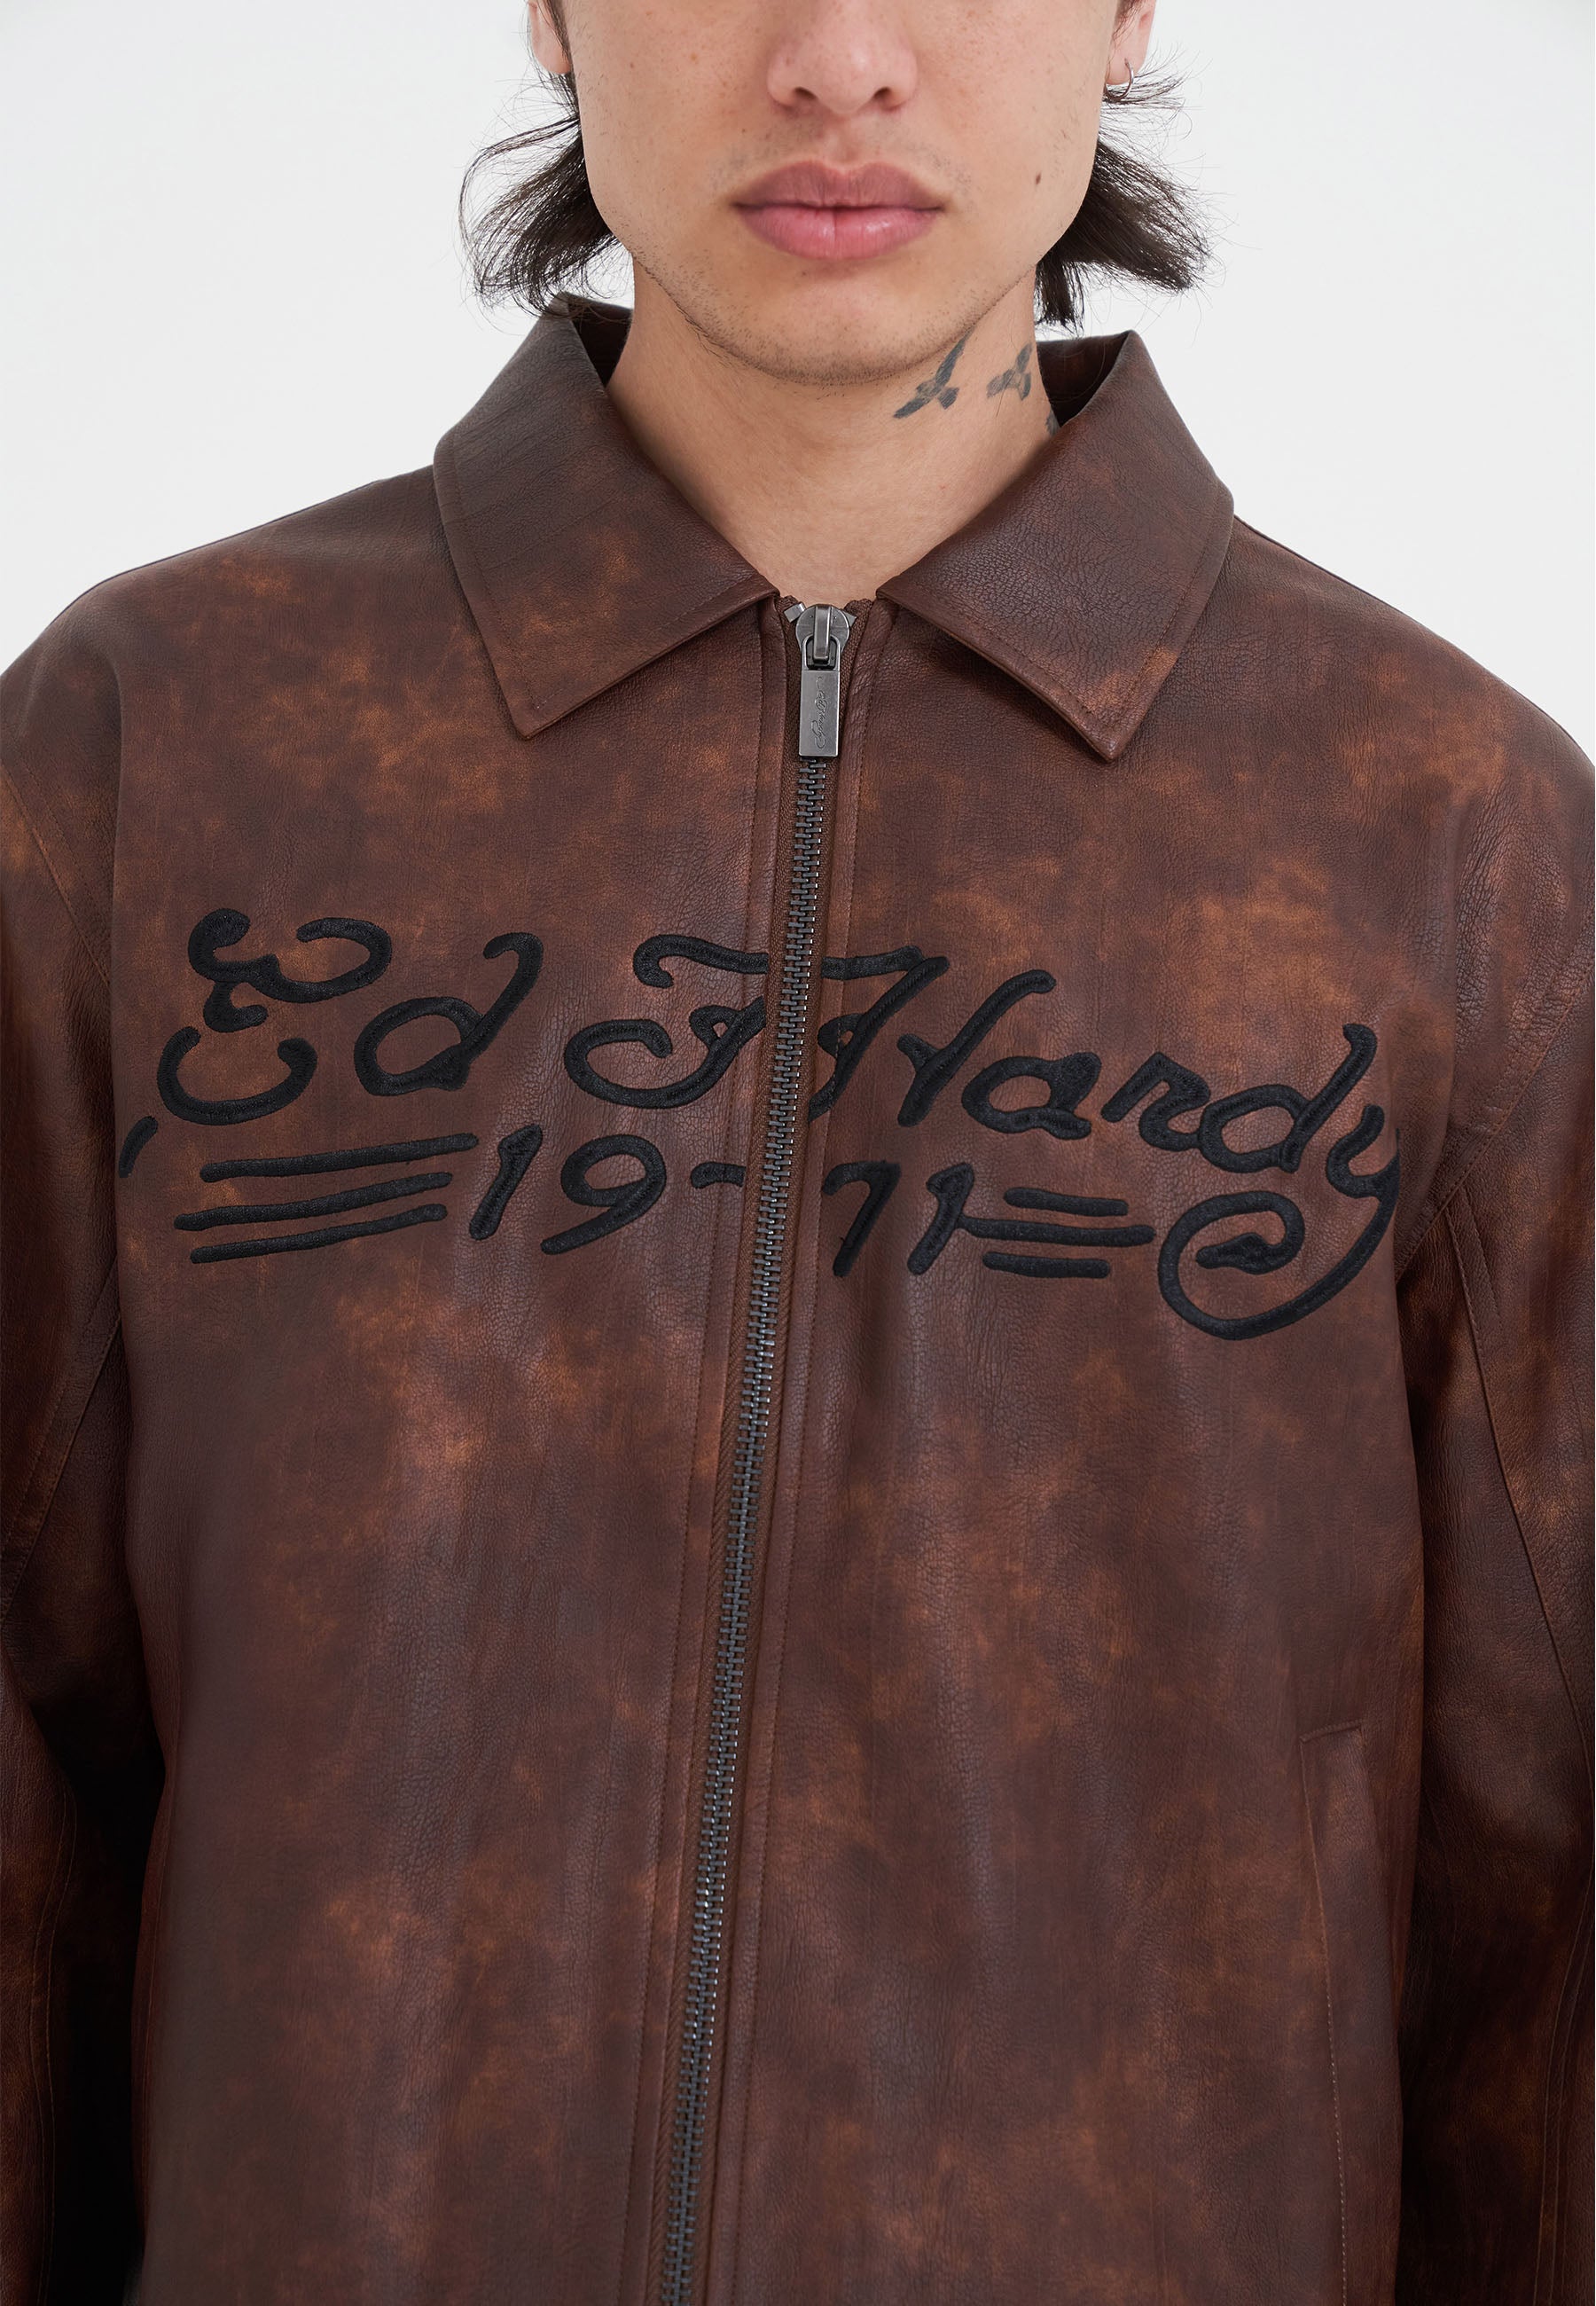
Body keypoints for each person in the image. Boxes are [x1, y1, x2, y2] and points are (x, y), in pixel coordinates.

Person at [2, 0, 1590, 2299]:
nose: (841, 58)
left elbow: (1550, 1939)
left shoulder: (1457, 847)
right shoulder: (153, 757)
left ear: (1132, 11)